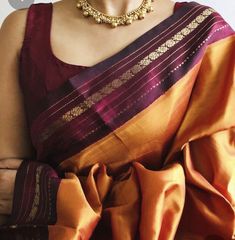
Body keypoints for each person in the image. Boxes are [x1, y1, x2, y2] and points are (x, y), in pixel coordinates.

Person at [0, 0, 234, 239]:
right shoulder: (23, 31)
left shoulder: (202, 34)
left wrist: (54, 199)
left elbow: (215, 202)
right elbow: (8, 191)